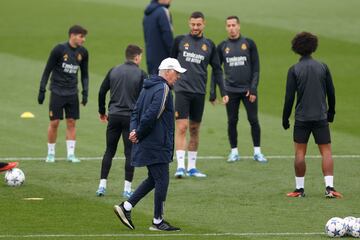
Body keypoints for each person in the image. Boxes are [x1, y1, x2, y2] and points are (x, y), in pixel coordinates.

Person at [113, 58, 186, 231]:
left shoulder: (148, 87)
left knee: (154, 179)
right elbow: (153, 114)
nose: (178, 77)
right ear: (167, 71)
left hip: (149, 141)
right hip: (156, 143)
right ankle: (158, 221)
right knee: (162, 180)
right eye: (176, 73)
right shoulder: (163, 88)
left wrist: (134, 131)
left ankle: (126, 207)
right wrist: (138, 133)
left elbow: (136, 111)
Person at [283, 32, 342, 198]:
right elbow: (331, 92)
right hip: (320, 117)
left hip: (302, 118)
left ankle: (299, 189)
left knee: (300, 153)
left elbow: (289, 97)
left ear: (296, 48)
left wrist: (285, 117)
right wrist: (331, 112)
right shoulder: (323, 67)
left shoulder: (294, 69)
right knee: (326, 152)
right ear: (313, 47)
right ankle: (330, 188)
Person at [170, 11, 228, 178]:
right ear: (189, 24)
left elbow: (217, 69)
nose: (195, 27)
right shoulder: (180, 41)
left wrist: (223, 92)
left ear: (204, 24)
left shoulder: (209, 45)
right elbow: (170, 63)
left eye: (198, 24)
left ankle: (192, 167)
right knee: (182, 127)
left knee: (195, 129)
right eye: (193, 24)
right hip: (182, 90)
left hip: (199, 92)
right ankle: (180, 166)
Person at [96, 45, 147, 198]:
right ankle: (126, 189)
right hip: (130, 119)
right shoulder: (141, 73)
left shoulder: (114, 70)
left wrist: (102, 111)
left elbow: (101, 91)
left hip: (114, 116)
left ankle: (102, 186)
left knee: (109, 151)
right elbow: (145, 97)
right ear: (137, 57)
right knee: (129, 153)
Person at [216, 16, 267, 163]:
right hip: (230, 90)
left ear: (239, 26)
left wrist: (253, 89)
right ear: (226, 28)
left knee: (253, 120)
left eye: (234, 25)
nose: (231, 28)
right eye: (229, 25)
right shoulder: (222, 46)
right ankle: (234, 152)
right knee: (232, 121)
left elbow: (256, 68)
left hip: (247, 91)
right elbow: (217, 70)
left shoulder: (249, 44)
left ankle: (257, 152)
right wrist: (221, 91)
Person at [38, 25, 89, 163]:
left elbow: (85, 74)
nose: (83, 40)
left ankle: (71, 154)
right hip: (57, 91)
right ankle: (50, 153)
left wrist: (85, 92)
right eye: (81, 36)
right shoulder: (59, 50)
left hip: (72, 92)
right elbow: (47, 70)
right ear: (72, 35)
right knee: (54, 122)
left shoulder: (83, 52)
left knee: (71, 122)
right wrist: (42, 90)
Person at [143, 0, 173, 74]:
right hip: (163, 60)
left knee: (154, 83)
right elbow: (167, 35)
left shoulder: (147, 14)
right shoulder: (163, 11)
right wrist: (173, 54)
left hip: (150, 58)